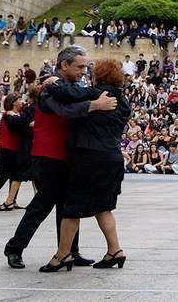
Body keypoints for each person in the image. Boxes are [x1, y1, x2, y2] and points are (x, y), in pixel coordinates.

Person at [4, 46, 117, 270]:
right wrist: (95, 105)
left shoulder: (70, 88)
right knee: (42, 204)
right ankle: (14, 248)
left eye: (85, 66)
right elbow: (66, 110)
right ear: (64, 65)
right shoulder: (50, 91)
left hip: (68, 157)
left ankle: (69, 252)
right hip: (47, 157)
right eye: (80, 66)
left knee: (69, 207)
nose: (84, 71)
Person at [38, 58, 131, 272]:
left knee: (72, 208)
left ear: (99, 76)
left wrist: (53, 82)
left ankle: (62, 255)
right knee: (103, 207)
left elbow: (68, 94)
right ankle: (114, 251)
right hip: (112, 157)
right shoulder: (123, 100)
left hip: (90, 157)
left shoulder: (96, 93)